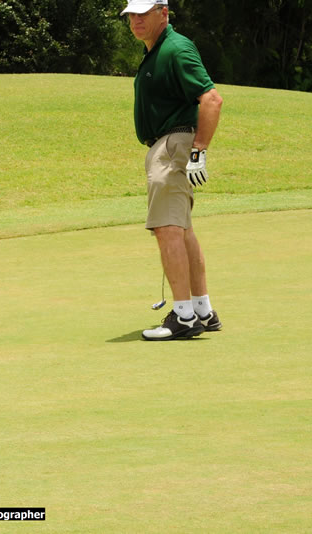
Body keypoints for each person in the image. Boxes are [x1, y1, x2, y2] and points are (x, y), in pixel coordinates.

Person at [120, 0, 224, 341]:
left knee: (167, 228)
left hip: (173, 145)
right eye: (131, 15)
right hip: (169, 145)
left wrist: (199, 150)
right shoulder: (156, 51)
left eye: (143, 14)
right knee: (181, 229)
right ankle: (202, 309)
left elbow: (211, 99)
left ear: (163, 13)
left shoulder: (176, 49)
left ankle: (183, 316)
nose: (135, 21)